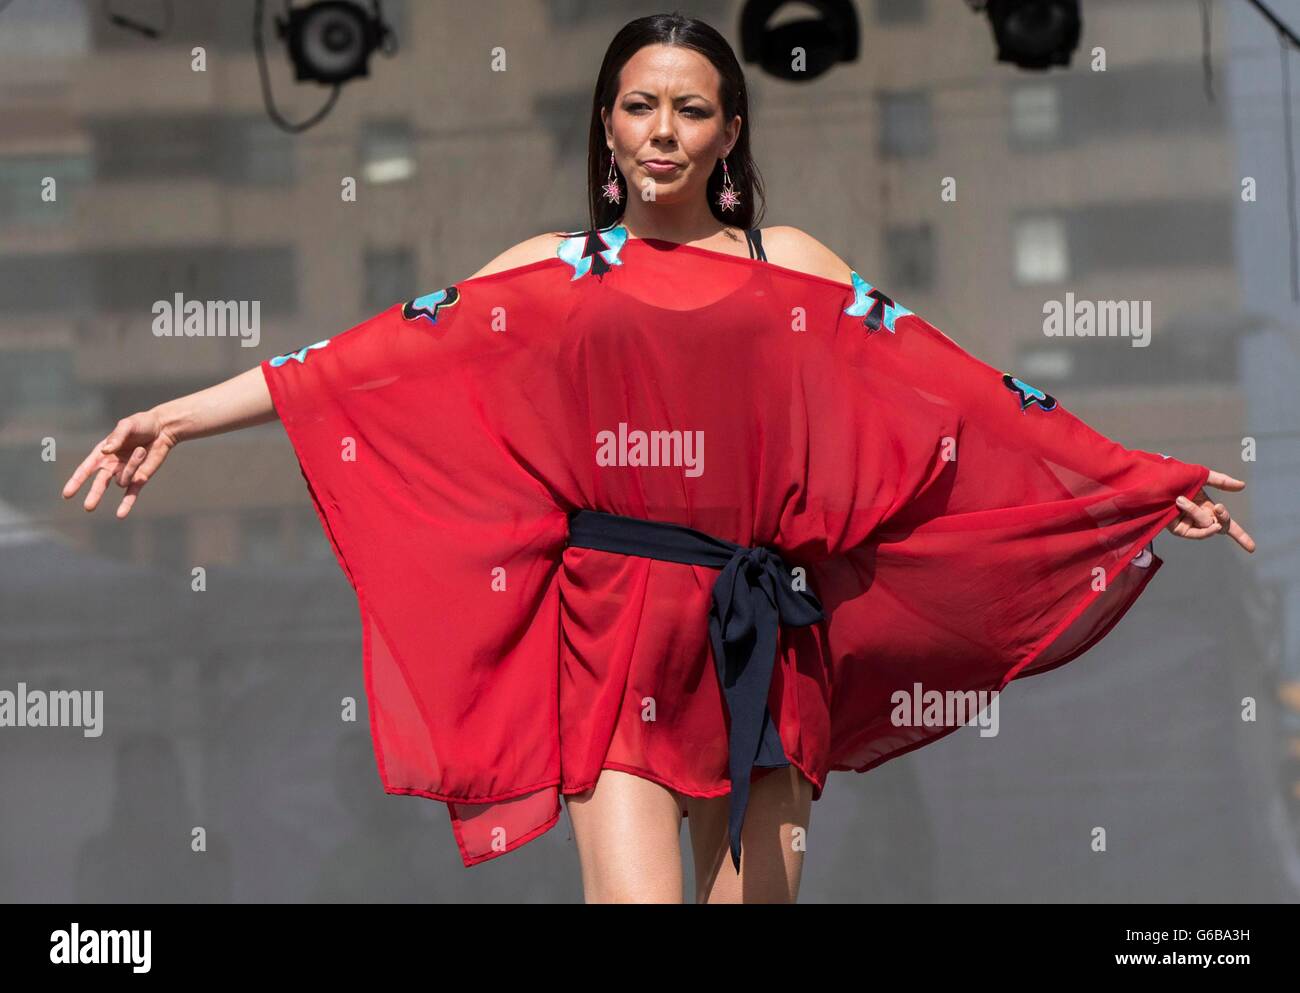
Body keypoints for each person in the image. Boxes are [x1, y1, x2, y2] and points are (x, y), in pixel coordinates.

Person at [60, 13, 1255, 904]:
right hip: (612, 624)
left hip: (761, 629)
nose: (663, 130)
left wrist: (1135, 480)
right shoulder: (552, 270)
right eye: (639, 105)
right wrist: (180, 413)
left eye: (690, 108)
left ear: (729, 129)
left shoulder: (787, 260)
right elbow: (361, 363)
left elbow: (968, 391)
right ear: (607, 122)